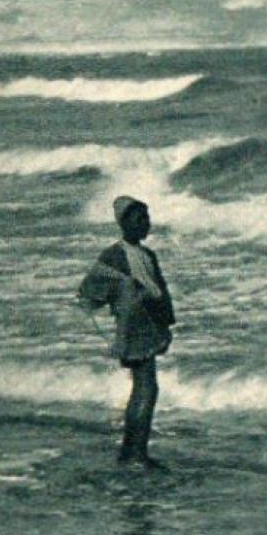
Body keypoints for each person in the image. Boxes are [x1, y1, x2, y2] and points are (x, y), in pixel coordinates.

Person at [79, 196, 175, 466]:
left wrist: (165, 324)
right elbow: (90, 290)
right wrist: (126, 294)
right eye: (138, 218)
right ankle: (135, 453)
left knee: (145, 388)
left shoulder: (147, 255)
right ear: (122, 223)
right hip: (134, 325)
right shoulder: (114, 254)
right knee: (146, 388)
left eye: (147, 217)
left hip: (148, 324)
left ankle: (133, 450)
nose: (145, 223)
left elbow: (160, 290)